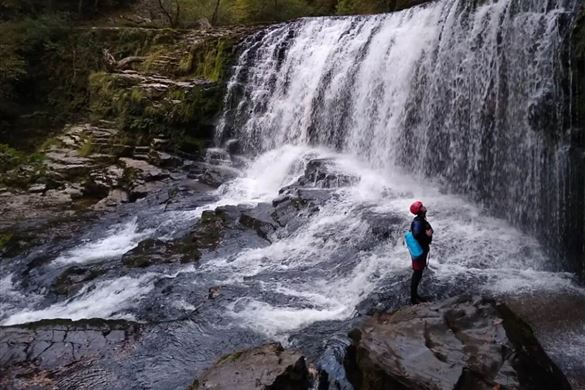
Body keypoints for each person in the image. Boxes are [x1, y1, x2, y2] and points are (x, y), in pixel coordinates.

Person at [409, 200, 433, 304]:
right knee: (417, 273)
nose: (424, 207)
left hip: (421, 249)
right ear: (420, 210)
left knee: (418, 272)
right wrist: (427, 235)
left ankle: (414, 296)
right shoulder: (418, 221)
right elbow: (416, 235)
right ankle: (414, 298)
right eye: (422, 206)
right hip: (420, 250)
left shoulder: (420, 220)